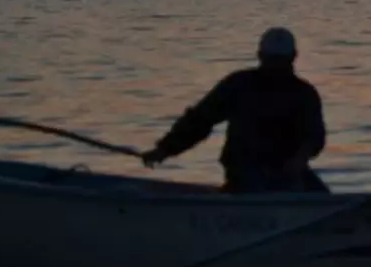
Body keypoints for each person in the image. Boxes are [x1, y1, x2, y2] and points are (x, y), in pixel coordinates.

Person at [141, 27, 329, 194]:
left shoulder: (304, 94)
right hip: (246, 170)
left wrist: (299, 159)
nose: (276, 66)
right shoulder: (239, 85)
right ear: (261, 56)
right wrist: (165, 149)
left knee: (321, 196)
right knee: (257, 189)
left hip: (288, 173)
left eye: (280, 61)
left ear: (292, 58)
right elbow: (199, 120)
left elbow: (315, 137)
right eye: (273, 60)